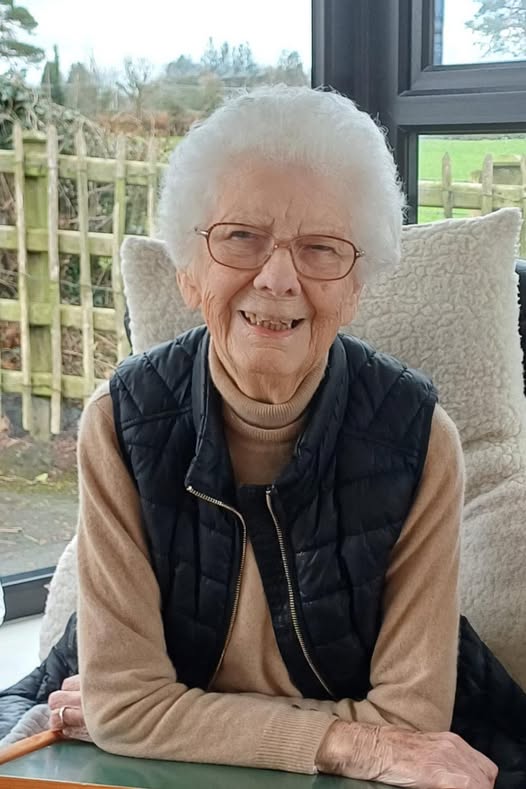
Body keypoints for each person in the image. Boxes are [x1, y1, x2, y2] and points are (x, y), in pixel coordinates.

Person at [4, 86, 524, 786]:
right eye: (241, 236)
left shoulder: (420, 439)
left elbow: (409, 727)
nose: (278, 278)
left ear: (355, 288)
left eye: (321, 248)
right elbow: (125, 707)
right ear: (189, 272)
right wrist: (347, 739)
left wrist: (171, 723)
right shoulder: (120, 422)